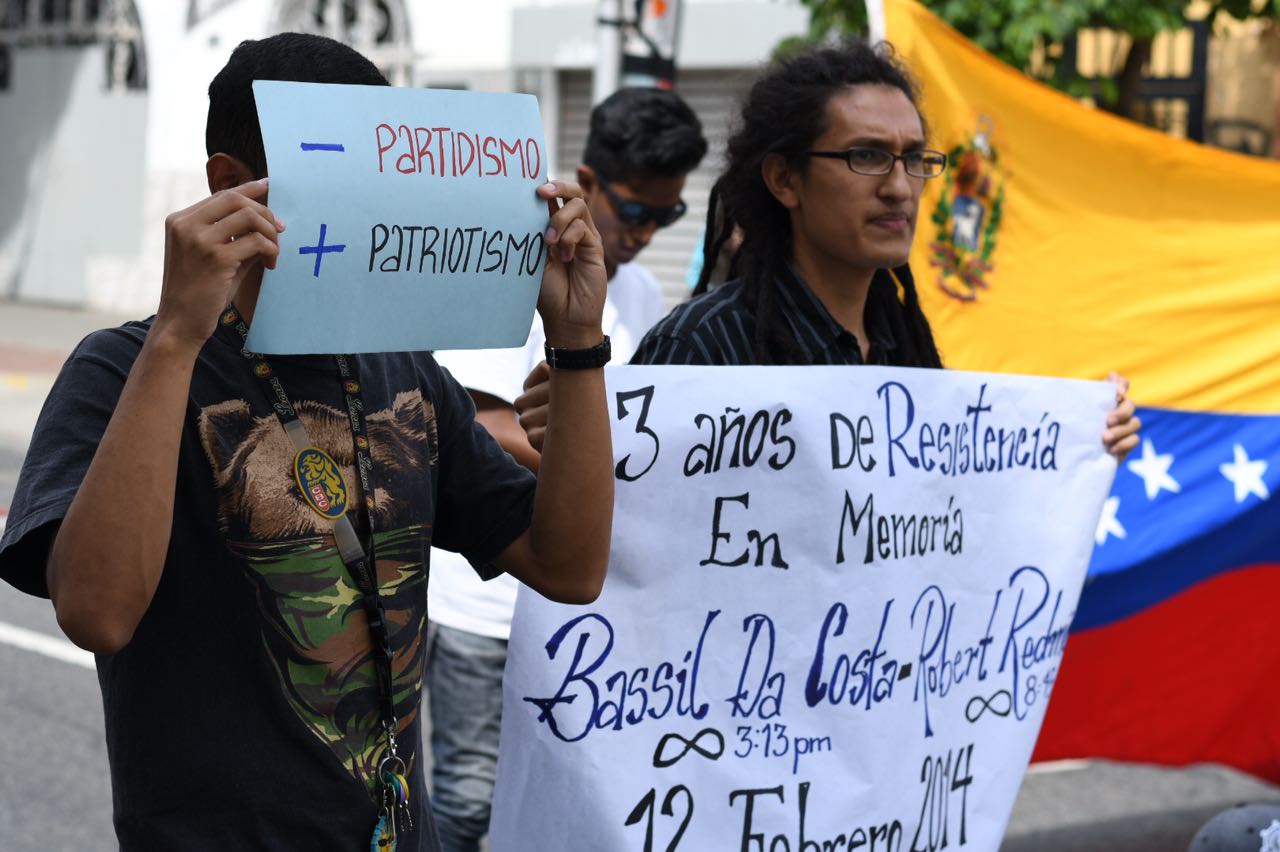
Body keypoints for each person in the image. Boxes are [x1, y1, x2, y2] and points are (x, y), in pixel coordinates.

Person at [0, 33, 615, 852]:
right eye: (345, 178)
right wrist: (180, 334)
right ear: (231, 184)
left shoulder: (403, 370)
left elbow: (568, 565)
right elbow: (98, 613)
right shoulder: (122, 370)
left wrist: (576, 343)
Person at [519, 40, 1140, 458]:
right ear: (784, 179)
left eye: (915, 159)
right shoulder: (702, 348)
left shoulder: (905, 347)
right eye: (866, 155)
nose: (900, 188)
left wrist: (1079, 439)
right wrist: (588, 434)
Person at [424, 86, 707, 852]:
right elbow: (475, 422)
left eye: (668, 216)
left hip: (585, 600)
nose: (647, 233)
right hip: (489, 602)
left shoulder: (642, 290)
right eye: (635, 211)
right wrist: (590, 456)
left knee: (561, 801)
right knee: (465, 803)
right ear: (584, 181)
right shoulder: (521, 269)